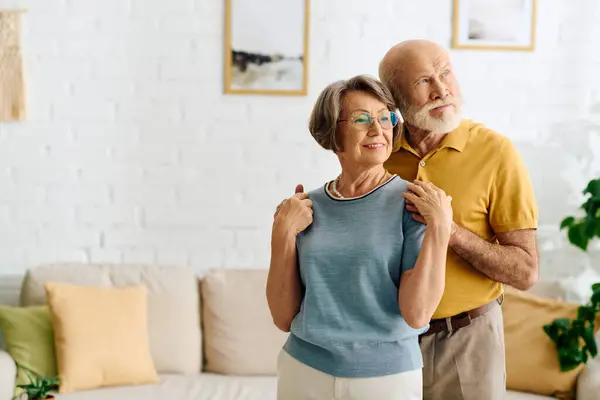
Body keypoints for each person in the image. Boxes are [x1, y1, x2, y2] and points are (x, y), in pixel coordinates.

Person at [267, 75, 453, 400]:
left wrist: (440, 227)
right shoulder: (305, 208)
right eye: (361, 119)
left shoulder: (413, 204)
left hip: (387, 379)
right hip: (304, 370)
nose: (377, 129)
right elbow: (283, 317)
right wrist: (282, 235)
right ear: (332, 131)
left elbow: (417, 314)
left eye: (385, 118)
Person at [378, 39, 540, 400]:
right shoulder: (379, 154)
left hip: (468, 338)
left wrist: (449, 231)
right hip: (388, 342)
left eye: (445, 72)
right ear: (394, 100)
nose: (442, 89)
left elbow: (525, 272)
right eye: (423, 81)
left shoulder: (497, 153)